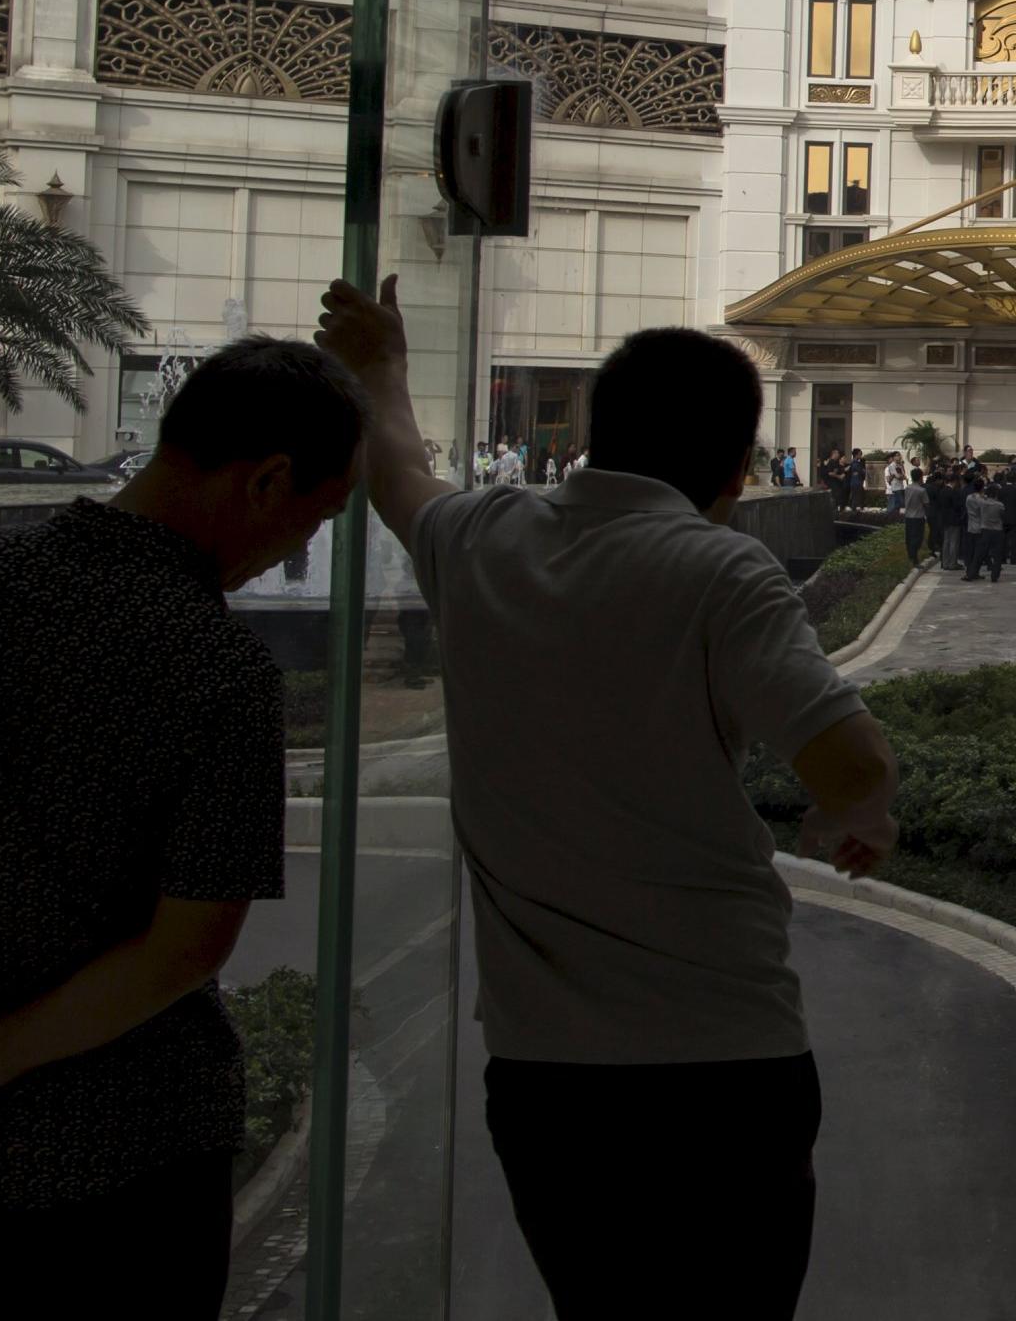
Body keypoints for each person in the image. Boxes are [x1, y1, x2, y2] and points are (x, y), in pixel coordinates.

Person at [315, 281, 898, 1321]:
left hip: (549, 1074)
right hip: (724, 1059)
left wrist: (382, 368)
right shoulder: (721, 570)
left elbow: (395, 470)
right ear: (734, 467)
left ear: (594, 433)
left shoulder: (478, 539)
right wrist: (855, 813)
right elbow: (850, 762)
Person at [0, 336, 366, 1319]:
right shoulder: (217, 671)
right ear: (267, 480)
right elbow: (187, 945)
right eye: (313, 521)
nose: (299, 551)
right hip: (127, 1167)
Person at [966, 473, 1010, 584]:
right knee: (997, 555)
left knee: (979, 554)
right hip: (997, 531)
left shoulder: (983, 503)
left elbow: (977, 503)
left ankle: (971, 574)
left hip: (985, 530)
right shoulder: (999, 505)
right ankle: (994, 576)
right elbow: (1003, 517)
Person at [892, 464, 928, 570]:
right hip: (918, 517)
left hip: (908, 516)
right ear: (921, 477)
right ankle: (915, 558)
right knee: (918, 538)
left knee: (909, 537)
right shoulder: (922, 490)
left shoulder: (907, 488)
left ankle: (911, 557)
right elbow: (926, 504)